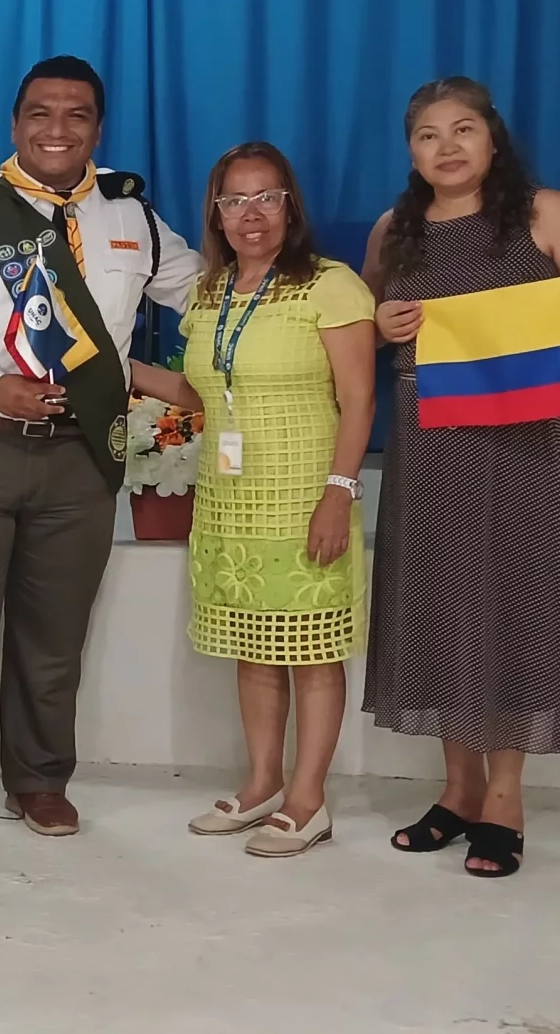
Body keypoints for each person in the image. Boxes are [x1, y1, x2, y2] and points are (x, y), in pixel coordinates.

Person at [0, 55, 201, 849]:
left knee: (54, 636)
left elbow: (203, 293)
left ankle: (39, 781)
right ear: (16, 122)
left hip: (81, 457)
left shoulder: (131, 216)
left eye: (77, 115)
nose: (57, 130)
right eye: (40, 113)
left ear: (98, 127)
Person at [361, 77, 560, 878]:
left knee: (517, 603)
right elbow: (363, 330)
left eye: (464, 130)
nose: (447, 147)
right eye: (427, 135)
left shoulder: (543, 212)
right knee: (445, 602)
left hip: (527, 448)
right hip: (430, 449)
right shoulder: (393, 230)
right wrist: (381, 326)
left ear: (492, 139)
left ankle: (505, 800)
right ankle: (457, 789)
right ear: (410, 149)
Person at [172, 143, 376, 858]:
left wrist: (338, 493)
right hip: (231, 501)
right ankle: (260, 783)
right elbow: (203, 394)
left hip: (306, 493)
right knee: (253, 649)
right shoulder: (208, 292)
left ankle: (309, 799)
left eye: (267, 198)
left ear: (291, 206)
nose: (251, 214)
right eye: (235, 200)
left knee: (312, 651)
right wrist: (116, 370)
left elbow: (358, 400)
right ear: (216, 214)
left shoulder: (331, 285)